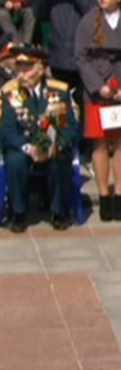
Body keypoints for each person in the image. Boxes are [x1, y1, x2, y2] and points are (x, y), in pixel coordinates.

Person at [75, 0, 121, 222]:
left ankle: (119, 195)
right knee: (99, 144)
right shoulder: (88, 21)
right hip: (97, 88)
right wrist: (97, 85)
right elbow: (80, 57)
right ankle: (104, 195)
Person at [0, 46, 78, 233]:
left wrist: (53, 146)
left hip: (51, 144)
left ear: (40, 69)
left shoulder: (59, 90)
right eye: (19, 68)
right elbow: (7, 129)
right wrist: (28, 148)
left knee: (60, 157)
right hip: (23, 146)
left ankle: (58, 211)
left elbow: (69, 126)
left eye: (26, 68)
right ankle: (18, 212)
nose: (21, 74)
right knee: (15, 160)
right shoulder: (10, 92)